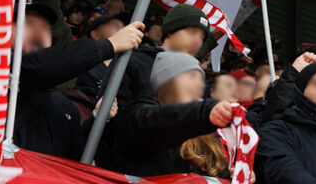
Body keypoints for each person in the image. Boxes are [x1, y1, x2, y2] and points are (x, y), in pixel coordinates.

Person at [15, 8, 143, 160]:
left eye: (45, 27)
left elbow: (75, 160)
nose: (38, 31)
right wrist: (110, 45)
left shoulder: (66, 108)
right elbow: (35, 67)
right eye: (28, 23)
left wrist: (97, 118)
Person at [96, 52, 232, 177]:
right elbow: (162, 122)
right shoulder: (139, 115)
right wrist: (203, 112)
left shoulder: (207, 131)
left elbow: (217, 176)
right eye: (190, 77)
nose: (199, 84)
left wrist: (233, 179)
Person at [109, 3, 209, 108]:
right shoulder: (132, 61)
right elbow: (113, 114)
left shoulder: (197, 76)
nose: (197, 41)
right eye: (192, 32)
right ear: (171, 31)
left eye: (202, 37)